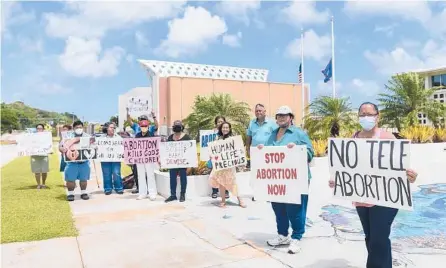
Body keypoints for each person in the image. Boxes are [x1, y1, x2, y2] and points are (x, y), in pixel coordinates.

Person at [328, 102, 418, 268]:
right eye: (362, 114)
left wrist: (409, 176)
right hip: (362, 197)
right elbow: (349, 168)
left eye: (369, 114)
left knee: (379, 238)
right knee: (370, 237)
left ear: (378, 116)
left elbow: (400, 168)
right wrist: (338, 180)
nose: (365, 117)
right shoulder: (353, 139)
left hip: (385, 199)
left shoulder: (387, 138)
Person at [257, 106, 314, 254]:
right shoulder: (273, 134)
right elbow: (269, 152)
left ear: (290, 117)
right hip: (277, 180)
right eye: (279, 116)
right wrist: (262, 150)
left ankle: (296, 237)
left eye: (284, 115)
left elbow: (310, 152)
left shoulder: (298, 133)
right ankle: (283, 235)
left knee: (295, 209)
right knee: (278, 208)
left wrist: (297, 150)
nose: (281, 118)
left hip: (296, 178)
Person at [209, 122, 246, 208]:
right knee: (221, 183)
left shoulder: (233, 139)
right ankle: (223, 201)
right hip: (221, 166)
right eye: (223, 127)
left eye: (227, 128)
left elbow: (238, 151)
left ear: (229, 129)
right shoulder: (217, 138)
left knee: (233, 182)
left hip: (229, 165)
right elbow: (214, 151)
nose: (225, 129)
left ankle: (240, 200)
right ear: (221, 129)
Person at [246, 104, 277, 201]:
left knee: (269, 173)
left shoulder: (272, 123)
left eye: (260, 110)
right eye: (256, 111)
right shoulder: (251, 123)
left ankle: (269, 194)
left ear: (265, 111)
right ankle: (258, 193)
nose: (258, 112)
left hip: (269, 153)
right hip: (256, 153)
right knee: (257, 174)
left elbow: (278, 136)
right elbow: (248, 137)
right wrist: (247, 149)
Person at [126, 110, 158, 194]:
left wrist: (154, 116)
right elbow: (130, 122)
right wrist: (128, 114)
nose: (142, 121)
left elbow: (156, 126)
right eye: (141, 119)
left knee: (149, 173)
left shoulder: (150, 127)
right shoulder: (136, 127)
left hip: (148, 155)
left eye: (144, 119)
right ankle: (140, 189)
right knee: (138, 173)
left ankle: (150, 191)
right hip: (139, 155)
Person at [59, 120, 91, 201]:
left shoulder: (88, 136)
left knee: (83, 179)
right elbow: (60, 147)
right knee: (70, 179)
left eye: (80, 127)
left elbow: (93, 146)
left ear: (83, 128)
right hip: (71, 162)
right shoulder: (67, 136)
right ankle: (70, 194)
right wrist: (61, 149)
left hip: (84, 162)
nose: (79, 129)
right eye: (77, 127)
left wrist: (95, 148)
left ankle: (83, 192)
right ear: (73, 128)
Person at [165, 120, 192, 203]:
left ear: (182, 127)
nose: (177, 128)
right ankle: (173, 195)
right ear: (173, 127)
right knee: (172, 178)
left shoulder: (186, 137)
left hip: (183, 163)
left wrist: (190, 165)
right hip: (173, 162)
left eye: (178, 126)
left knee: (183, 179)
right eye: (175, 126)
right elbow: (167, 150)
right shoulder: (170, 137)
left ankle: (182, 194)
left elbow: (190, 151)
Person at [135, 118, 158, 200]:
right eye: (142, 126)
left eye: (145, 126)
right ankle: (142, 193)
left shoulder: (151, 134)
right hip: (140, 158)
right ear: (140, 127)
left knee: (150, 175)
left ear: (148, 126)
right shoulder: (137, 135)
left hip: (149, 158)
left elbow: (155, 147)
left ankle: (152, 193)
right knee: (140, 175)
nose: (144, 127)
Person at [101, 122, 124, 195]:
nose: (113, 129)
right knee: (106, 174)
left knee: (116, 173)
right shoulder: (101, 138)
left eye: (114, 127)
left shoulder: (118, 138)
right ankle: (107, 189)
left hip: (116, 159)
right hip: (105, 159)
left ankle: (119, 188)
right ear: (107, 128)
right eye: (111, 127)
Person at [211, 115, 230, 199]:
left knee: (226, 175)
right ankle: (214, 191)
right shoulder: (215, 135)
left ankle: (226, 191)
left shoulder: (229, 135)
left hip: (227, 159)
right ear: (216, 124)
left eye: (221, 121)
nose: (220, 123)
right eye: (218, 122)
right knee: (215, 175)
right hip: (217, 159)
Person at [32, 124, 50, 189]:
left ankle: (43, 183)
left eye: (41, 128)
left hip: (44, 155)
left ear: (43, 129)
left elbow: (49, 144)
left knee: (44, 171)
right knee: (36, 171)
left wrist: (50, 150)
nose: (39, 129)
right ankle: (38, 184)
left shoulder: (47, 136)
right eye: (38, 128)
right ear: (36, 129)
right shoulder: (32, 136)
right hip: (35, 156)